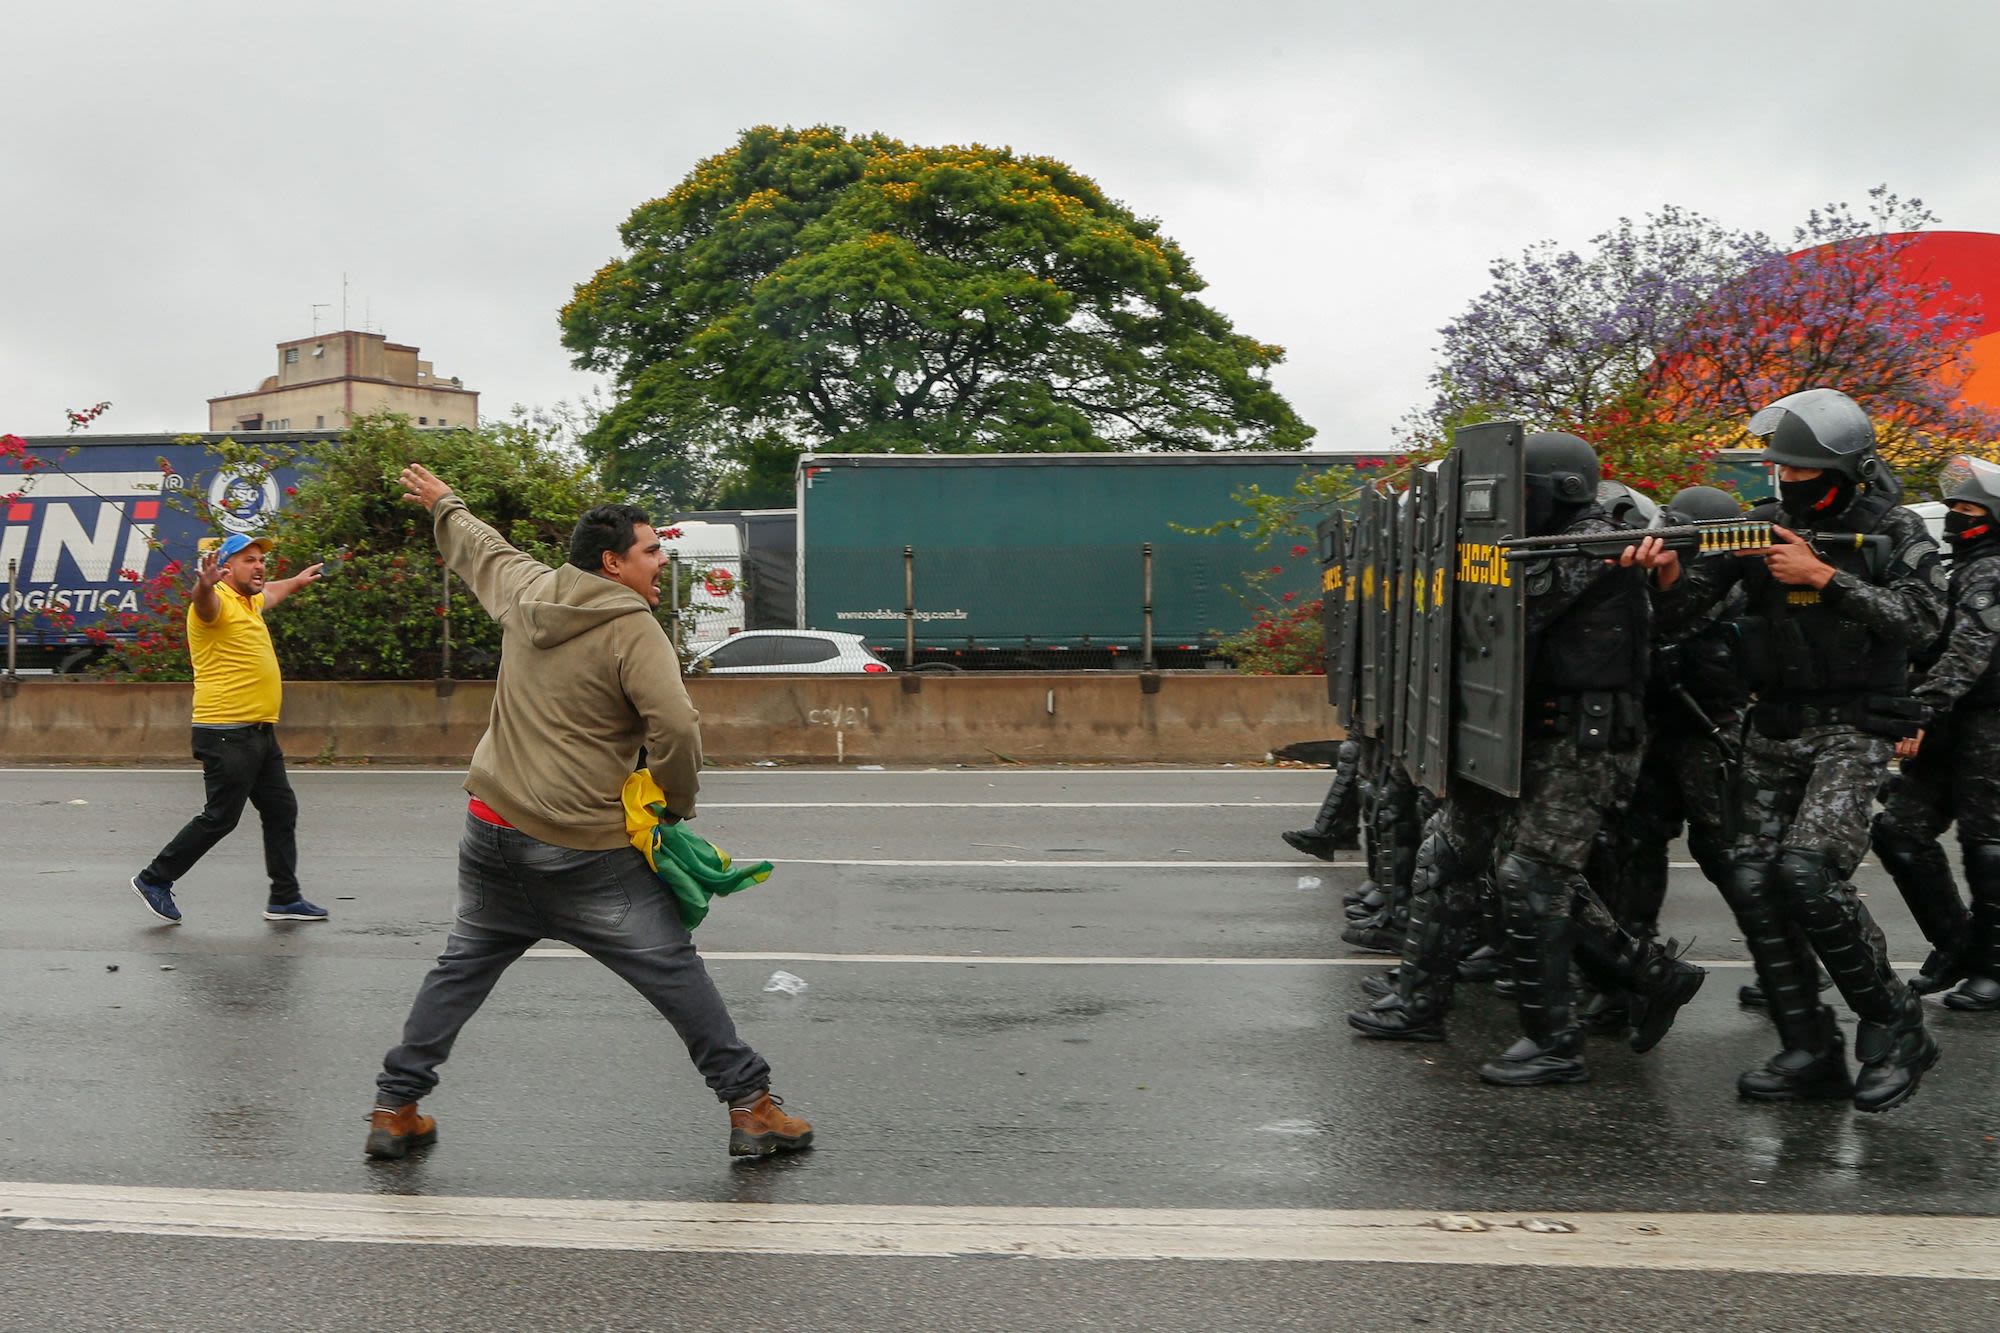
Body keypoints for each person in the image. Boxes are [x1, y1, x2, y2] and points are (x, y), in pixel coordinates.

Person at [366, 464, 810, 1162]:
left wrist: (444, 501)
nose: (662, 559)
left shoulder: (530, 590)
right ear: (612, 563)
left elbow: (478, 545)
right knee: (671, 967)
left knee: (461, 967)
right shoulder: (633, 629)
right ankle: (751, 1107)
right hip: (583, 850)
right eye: (650, 550)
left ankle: (395, 1108)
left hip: (492, 830)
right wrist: (676, 804)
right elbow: (677, 728)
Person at [1347, 432, 1704, 1085]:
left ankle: (1556, 1042)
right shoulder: (1534, 542)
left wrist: (1660, 569)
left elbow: (1519, 607)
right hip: (1511, 727)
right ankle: (1422, 999)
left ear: (1559, 490)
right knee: (1448, 852)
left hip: (1582, 739)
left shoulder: (1601, 542)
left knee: (1532, 878)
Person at [1627, 388, 1944, 1113]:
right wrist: (1665, 573)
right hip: (1772, 724)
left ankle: (1896, 1023)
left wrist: (1825, 578)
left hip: (1854, 726)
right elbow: (1682, 615)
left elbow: (1923, 623)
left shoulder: (1895, 529)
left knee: (1807, 874)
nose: (1787, 482)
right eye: (1780, 469)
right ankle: (1810, 1045)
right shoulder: (1759, 527)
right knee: (1751, 877)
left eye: (1801, 470)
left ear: (1847, 470)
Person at [129, 533, 327, 925]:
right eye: (249, 560)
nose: (259, 566)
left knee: (281, 808)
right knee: (221, 816)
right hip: (226, 731)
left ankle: (284, 898)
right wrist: (203, 586)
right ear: (226, 568)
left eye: (261, 560)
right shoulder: (216, 604)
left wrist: (298, 581)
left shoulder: (248, 601)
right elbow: (203, 604)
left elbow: (271, 592)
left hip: (258, 732)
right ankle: (154, 878)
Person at [1871, 455, 2000, 1011]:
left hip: (1989, 725)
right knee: (1899, 832)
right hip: (1948, 722)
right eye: (1951, 508)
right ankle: (1959, 945)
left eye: (1968, 510)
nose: (1954, 518)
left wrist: (1918, 711)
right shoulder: (1959, 567)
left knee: (1987, 847)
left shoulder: (1992, 570)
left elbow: (1971, 649)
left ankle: (1993, 968)